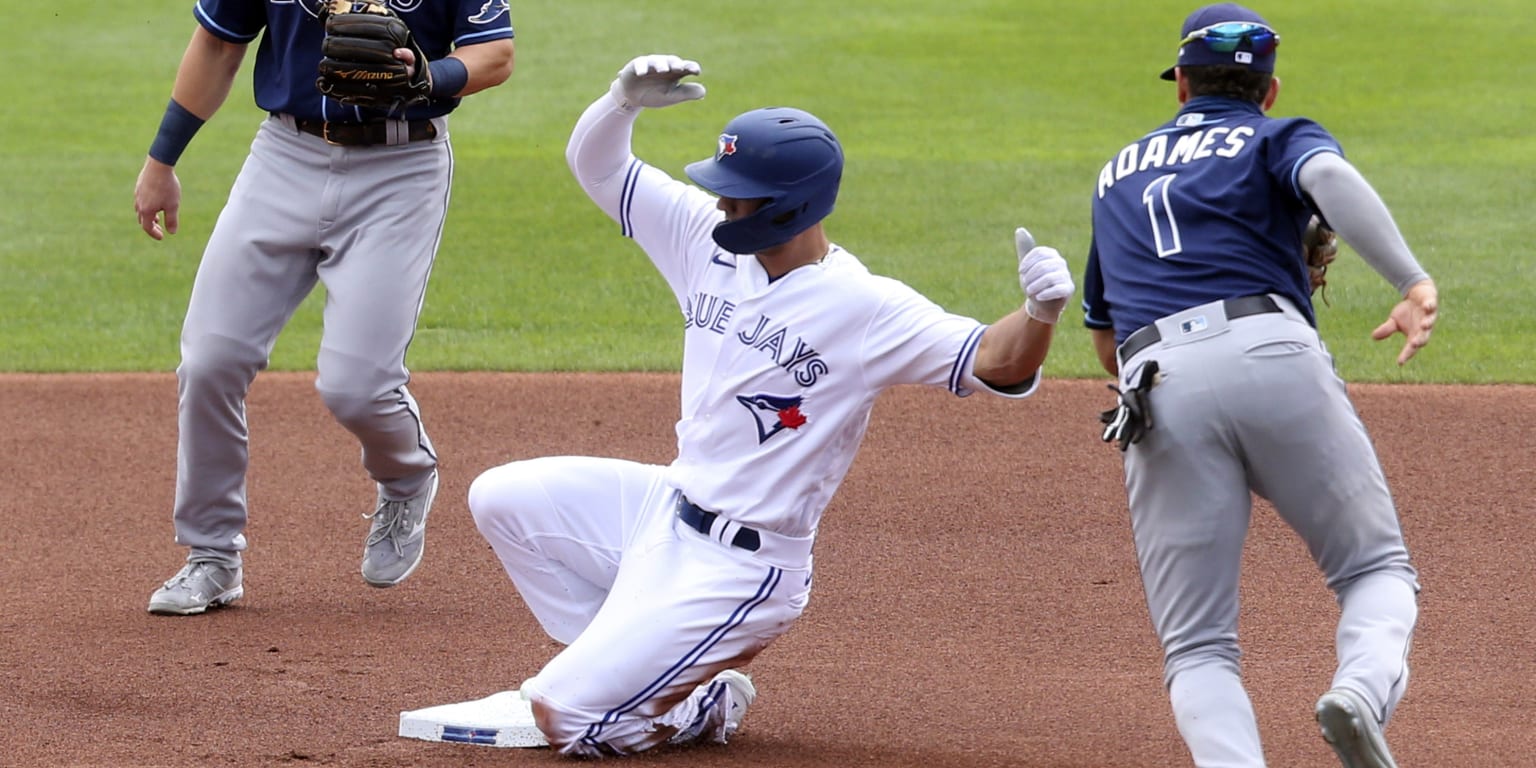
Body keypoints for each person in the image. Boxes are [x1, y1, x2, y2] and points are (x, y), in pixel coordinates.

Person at [464, 53, 1075, 756]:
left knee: (564, 716)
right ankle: (641, 663)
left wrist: (1039, 311)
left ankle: (696, 707)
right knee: (501, 496)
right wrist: (618, 103)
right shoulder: (705, 241)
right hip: (662, 513)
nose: (722, 204)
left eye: (740, 194)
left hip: (743, 568)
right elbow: (600, 170)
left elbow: (995, 362)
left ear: (793, 202)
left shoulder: (863, 307)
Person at [1080, 4, 1438, 767]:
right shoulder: (1278, 134)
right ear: (1269, 91)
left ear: (1180, 84)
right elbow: (1329, 178)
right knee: (1375, 568)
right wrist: (1409, 280)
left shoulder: (1115, 173)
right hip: (1273, 351)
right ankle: (1360, 692)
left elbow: (1105, 338)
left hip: (1153, 382)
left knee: (1198, 646)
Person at [133, 0, 515, 615]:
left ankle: (406, 475)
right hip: (283, 158)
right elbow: (218, 43)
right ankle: (211, 556)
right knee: (210, 361)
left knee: (357, 386)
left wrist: (429, 74)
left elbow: (495, 53)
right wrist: (162, 160)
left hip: (402, 168)